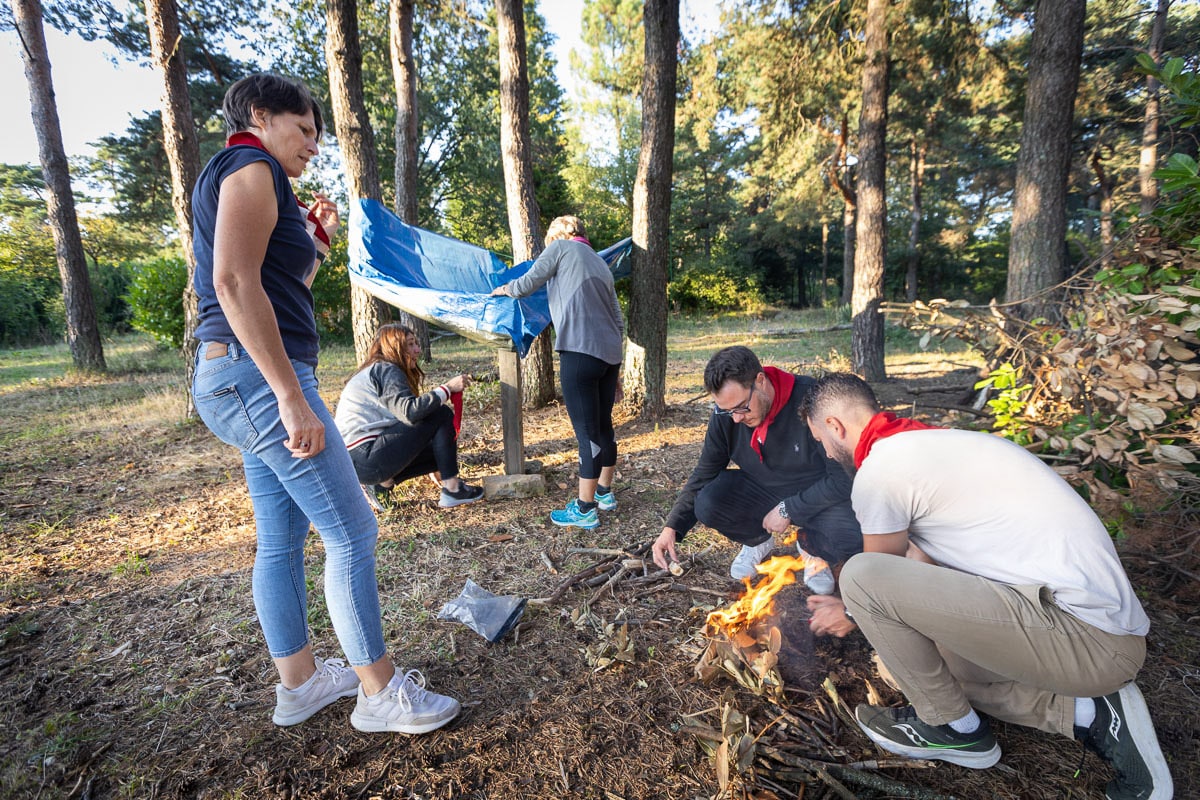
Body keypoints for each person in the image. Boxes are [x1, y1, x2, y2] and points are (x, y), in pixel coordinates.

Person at [190, 73, 459, 734]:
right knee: (352, 529)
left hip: (235, 377)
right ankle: (378, 691)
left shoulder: (249, 177)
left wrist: (317, 241)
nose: (314, 145)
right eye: (305, 129)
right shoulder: (250, 165)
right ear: (260, 115)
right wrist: (290, 396)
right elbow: (230, 281)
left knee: (281, 540)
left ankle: (301, 685)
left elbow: (282, 282)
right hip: (259, 379)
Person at [801, 372, 1172, 800]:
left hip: (1090, 642)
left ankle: (952, 730)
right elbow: (920, 570)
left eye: (820, 441)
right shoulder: (935, 447)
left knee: (860, 577)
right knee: (902, 667)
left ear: (834, 426)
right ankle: (1090, 712)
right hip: (1086, 628)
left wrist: (845, 609)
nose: (826, 454)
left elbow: (877, 573)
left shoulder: (880, 471)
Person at [650, 346, 862, 593]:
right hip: (763, 490)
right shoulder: (729, 415)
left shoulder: (812, 400)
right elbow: (704, 472)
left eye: (741, 407)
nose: (736, 418)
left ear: (760, 381)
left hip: (816, 497)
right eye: (727, 410)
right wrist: (672, 527)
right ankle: (756, 542)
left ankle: (813, 546)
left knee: (853, 531)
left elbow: (843, 479)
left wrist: (789, 508)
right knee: (709, 500)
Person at [491, 215, 623, 530]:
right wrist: (615, 372)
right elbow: (618, 318)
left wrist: (502, 290)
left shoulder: (560, 248)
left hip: (579, 351)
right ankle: (604, 493)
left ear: (559, 235)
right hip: (609, 355)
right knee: (603, 427)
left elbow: (526, 284)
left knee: (586, 434)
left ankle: (584, 508)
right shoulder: (601, 263)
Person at [335, 323, 484, 510]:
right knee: (440, 412)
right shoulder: (386, 369)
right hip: (366, 454)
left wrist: (439, 463)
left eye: (417, 344)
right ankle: (453, 490)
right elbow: (409, 412)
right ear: (394, 347)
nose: (418, 350)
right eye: (411, 344)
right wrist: (447, 389)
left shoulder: (375, 370)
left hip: (353, 463)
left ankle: (381, 485)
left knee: (441, 451)